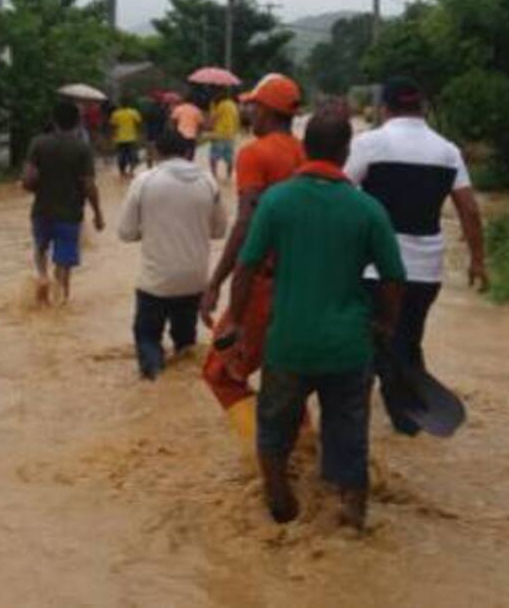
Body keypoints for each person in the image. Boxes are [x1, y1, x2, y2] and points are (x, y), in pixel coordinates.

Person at [226, 110, 405, 528]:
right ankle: (351, 513)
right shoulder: (368, 209)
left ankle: (279, 500)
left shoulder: (277, 201)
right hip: (348, 346)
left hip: (288, 342)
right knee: (348, 437)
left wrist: (236, 321)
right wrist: (385, 323)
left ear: (305, 149)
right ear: (345, 153)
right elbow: (395, 278)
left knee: (274, 428)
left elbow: (246, 267)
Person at [344, 76, 488, 435]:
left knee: (368, 345)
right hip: (426, 270)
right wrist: (478, 260)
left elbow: (339, 193)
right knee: (406, 340)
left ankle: (364, 418)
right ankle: (408, 420)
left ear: (384, 108)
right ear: (421, 107)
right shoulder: (447, 150)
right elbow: (469, 210)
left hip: (375, 269)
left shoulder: (369, 145)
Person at [200, 73, 305, 444]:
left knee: (221, 373)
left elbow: (247, 222)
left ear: (266, 110)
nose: (248, 112)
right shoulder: (303, 151)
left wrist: (216, 282)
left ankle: (266, 457)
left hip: (263, 284)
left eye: (252, 106)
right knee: (287, 378)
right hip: (301, 284)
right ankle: (304, 449)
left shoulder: (255, 153)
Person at [117, 128, 227, 380]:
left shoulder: (145, 181)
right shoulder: (208, 181)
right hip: (194, 281)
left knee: (147, 337)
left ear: (156, 152)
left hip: (155, 282)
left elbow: (125, 232)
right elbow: (219, 230)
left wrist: (150, 229)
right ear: (189, 152)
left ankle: (154, 382)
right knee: (186, 345)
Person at [23, 100, 105, 306]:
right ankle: (60, 297)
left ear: (53, 119)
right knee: (63, 260)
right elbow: (88, 185)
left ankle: (42, 277)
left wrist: (36, 187)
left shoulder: (38, 143)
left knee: (41, 247)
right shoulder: (82, 149)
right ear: (78, 122)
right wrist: (98, 213)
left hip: (42, 209)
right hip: (69, 213)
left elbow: (28, 178)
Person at [207, 87, 241, 180]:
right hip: (230, 135)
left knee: (214, 156)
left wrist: (208, 126)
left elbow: (213, 118)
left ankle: (214, 175)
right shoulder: (232, 104)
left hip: (219, 134)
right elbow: (237, 119)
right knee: (229, 157)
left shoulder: (218, 104)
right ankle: (228, 176)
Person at [110, 99, 143, 179]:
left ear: (120, 105)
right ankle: (131, 172)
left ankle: (122, 173)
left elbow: (113, 125)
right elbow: (139, 122)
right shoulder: (133, 112)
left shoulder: (116, 113)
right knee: (133, 156)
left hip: (119, 138)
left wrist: (113, 136)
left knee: (121, 156)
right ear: (128, 104)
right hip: (131, 138)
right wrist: (138, 132)